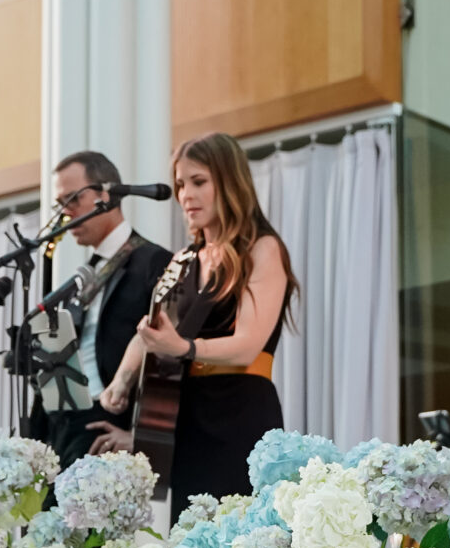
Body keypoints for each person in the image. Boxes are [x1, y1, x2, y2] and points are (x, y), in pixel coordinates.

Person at [101, 133, 298, 503]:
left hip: (240, 413)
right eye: (180, 185)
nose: (186, 195)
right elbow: (149, 331)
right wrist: (121, 382)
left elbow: (247, 345)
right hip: (188, 419)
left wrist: (186, 347)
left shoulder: (262, 248)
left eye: (198, 182)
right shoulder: (183, 260)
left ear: (230, 181)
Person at [29, 150, 174, 470]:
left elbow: (167, 356)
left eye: (73, 199)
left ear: (105, 195)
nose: (65, 213)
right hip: (64, 422)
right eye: (59, 204)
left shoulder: (155, 262)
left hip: (107, 423)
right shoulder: (84, 274)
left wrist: (142, 434)